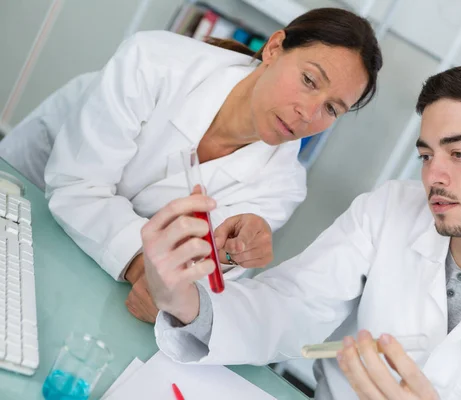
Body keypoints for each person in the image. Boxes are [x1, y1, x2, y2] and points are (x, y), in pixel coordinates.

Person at [142, 61, 461, 398]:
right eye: (426, 155)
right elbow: (292, 306)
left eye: (458, 154)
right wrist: (188, 304)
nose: (433, 175)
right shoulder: (392, 209)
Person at [0, 8, 383, 323]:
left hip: (99, 275)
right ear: (275, 47)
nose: (308, 112)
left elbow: (198, 277)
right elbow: (77, 186)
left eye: (332, 108)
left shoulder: (281, 186)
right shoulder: (153, 60)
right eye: (308, 79)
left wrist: (231, 255)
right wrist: (146, 270)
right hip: (23, 194)